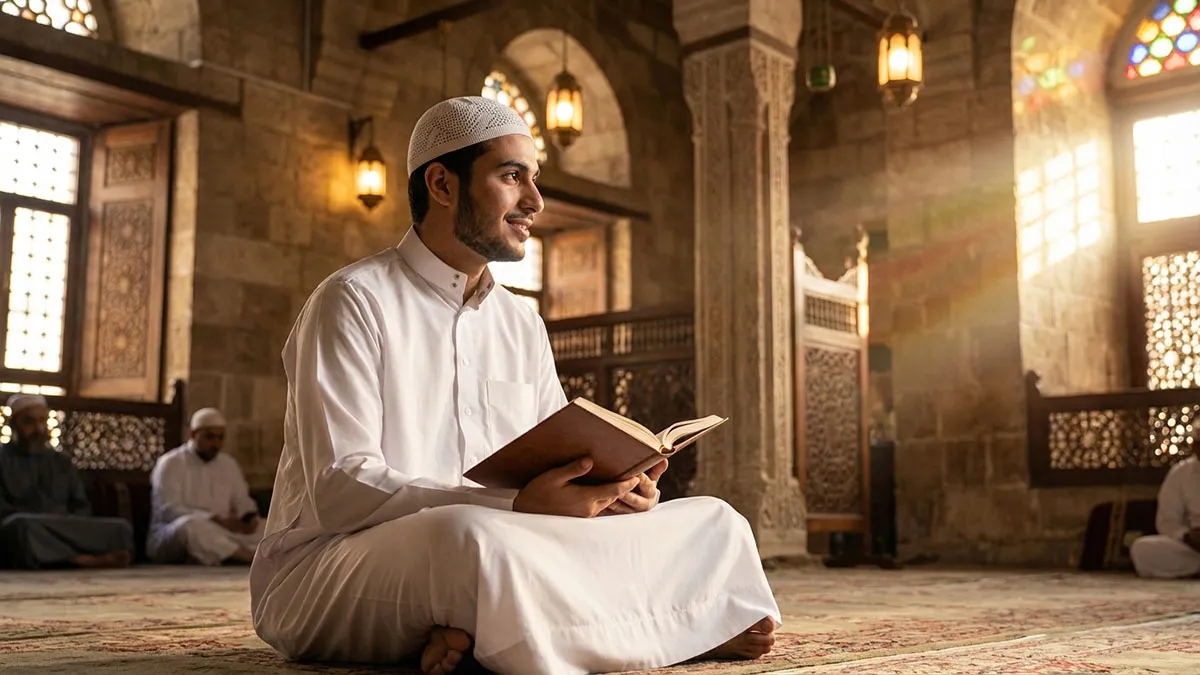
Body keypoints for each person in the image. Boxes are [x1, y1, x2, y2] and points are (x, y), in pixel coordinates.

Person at [249, 96, 781, 675]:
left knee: (713, 522)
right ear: (442, 184)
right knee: (473, 541)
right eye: (511, 176)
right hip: (332, 564)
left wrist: (610, 489)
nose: (535, 201)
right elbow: (341, 488)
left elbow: (557, 454)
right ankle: (676, 627)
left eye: (535, 179)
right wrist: (514, 502)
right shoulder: (352, 300)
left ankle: (478, 637)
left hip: (504, 540)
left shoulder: (519, 321)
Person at [0, 393, 133, 569]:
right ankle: (78, 559)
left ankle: (60, 555)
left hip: (62, 525)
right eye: (29, 422)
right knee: (22, 528)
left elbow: (81, 505)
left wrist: (67, 521)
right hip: (26, 525)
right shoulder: (2, 459)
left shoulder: (61, 461)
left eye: (42, 421)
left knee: (120, 528)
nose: (38, 429)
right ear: (13, 424)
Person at [147, 407, 263, 566]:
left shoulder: (228, 464)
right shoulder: (171, 463)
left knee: (268, 526)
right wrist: (214, 519)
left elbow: (242, 499)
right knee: (192, 527)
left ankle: (227, 553)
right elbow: (168, 510)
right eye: (210, 437)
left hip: (223, 531)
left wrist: (248, 518)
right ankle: (249, 557)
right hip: (175, 533)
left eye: (220, 438)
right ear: (193, 435)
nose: (216, 443)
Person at [1130, 438, 1200, 578]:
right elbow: (1167, 521)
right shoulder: (1181, 473)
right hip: (1194, 549)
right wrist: (1187, 536)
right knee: (1142, 548)